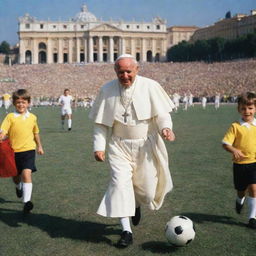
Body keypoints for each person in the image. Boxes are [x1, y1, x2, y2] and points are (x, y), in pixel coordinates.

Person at [89, 54, 175, 247]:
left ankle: (136, 205)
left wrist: (165, 128)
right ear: (115, 71)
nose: (125, 76)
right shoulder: (107, 90)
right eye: (121, 72)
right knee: (119, 185)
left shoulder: (150, 86)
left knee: (147, 192)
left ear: (137, 69)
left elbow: (162, 114)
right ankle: (126, 230)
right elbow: (100, 124)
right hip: (118, 145)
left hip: (145, 145)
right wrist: (98, 147)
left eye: (129, 71)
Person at [0, 89, 44, 214]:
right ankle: (18, 187)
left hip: (29, 150)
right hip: (13, 152)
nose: (21, 105)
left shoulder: (32, 117)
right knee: (16, 177)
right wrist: (2, 136)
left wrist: (39, 146)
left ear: (29, 103)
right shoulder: (10, 117)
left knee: (26, 174)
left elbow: (36, 133)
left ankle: (26, 203)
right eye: (18, 102)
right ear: (14, 103)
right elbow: (3, 131)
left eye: (24, 102)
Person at [222, 92, 256, 229]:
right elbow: (225, 143)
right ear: (239, 109)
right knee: (241, 190)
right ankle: (239, 199)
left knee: (254, 189)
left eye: (250, 108)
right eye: (243, 108)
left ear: (255, 109)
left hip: (254, 163)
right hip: (240, 165)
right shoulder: (235, 126)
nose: (247, 111)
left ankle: (252, 218)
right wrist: (234, 150)